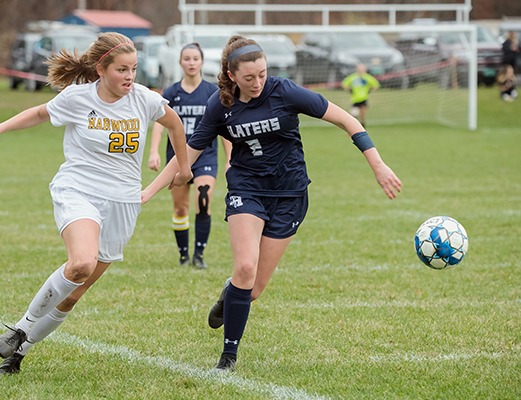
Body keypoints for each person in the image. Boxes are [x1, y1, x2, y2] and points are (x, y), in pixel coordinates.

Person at [141, 35, 402, 372]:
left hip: (290, 194)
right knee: (245, 268)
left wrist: (378, 165)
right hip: (246, 189)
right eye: (249, 78)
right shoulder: (220, 105)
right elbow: (184, 156)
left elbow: (347, 121)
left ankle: (228, 294)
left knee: (252, 289)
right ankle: (227, 358)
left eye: (262, 74)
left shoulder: (284, 91)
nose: (258, 83)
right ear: (232, 76)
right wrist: (148, 192)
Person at [0, 32, 192, 375]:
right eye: (122, 70)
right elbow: (40, 113)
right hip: (80, 190)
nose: (130, 77)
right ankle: (21, 327)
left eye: (133, 69)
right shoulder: (78, 98)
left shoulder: (145, 100)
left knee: (72, 295)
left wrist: (184, 167)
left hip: (123, 203)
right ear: (101, 69)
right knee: (80, 264)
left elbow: (176, 126)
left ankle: (19, 352)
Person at [148, 43, 231, 269]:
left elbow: (224, 129)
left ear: (202, 62)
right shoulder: (172, 93)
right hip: (177, 158)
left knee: (203, 202)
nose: (191, 63)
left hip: (205, 156)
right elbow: (159, 125)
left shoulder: (212, 93)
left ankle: (199, 256)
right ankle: (183, 256)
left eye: (195, 58)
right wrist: (154, 151)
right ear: (180, 62)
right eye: (187, 58)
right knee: (180, 208)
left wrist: (230, 160)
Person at [341, 63, 380, 128]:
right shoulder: (353, 77)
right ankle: (353, 129)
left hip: (364, 98)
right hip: (355, 99)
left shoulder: (367, 77)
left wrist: (370, 90)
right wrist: (348, 89)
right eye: (359, 69)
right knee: (353, 115)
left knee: (363, 115)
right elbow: (344, 83)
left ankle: (362, 129)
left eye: (362, 70)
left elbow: (376, 84)